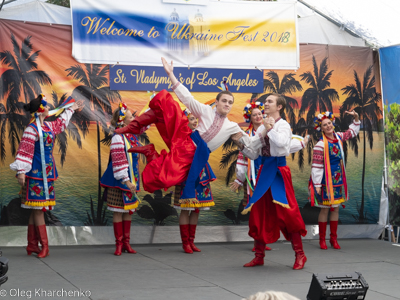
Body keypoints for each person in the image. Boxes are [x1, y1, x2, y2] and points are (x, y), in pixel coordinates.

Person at [115, 57, 268, 200]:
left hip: (194, 156)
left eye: (230, 102)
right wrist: (171, 75)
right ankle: (132, 127)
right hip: (186, 140)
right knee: (166, 106)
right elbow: (187, 98)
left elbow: (250, 145)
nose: (227, 104)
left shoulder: (232, 127)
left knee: (164, 178)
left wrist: (266, 130)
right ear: (217, 101)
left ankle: (150, 152)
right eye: (224, 101)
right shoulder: (206, 110)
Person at [231, 94, 307, 270]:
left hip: (279, 172)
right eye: (265, 101)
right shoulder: (262, 128)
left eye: (270, 101)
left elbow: (282, 145)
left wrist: (269, 129)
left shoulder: (283, 125)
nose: (266, 104)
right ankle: (259, 256)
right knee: (258, 212)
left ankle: (300, 255)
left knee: (289, 213)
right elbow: (254, 153)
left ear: (279, 106)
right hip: (264, 171)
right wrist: (241, 146)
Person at [10, 94, 83, 258]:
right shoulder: (31, 129)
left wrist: (72, 108)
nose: (50, 109)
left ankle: (32, 245)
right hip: (35, 174)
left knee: (36, 209)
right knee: (38, 210)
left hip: (47, 174)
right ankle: (45, 246)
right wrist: (21, 171)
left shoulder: (48, 127)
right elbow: (25, 151)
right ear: (41, 111)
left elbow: (62, 122)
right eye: (47, 107)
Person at [310, 110, 360, 250]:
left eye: (329, 123)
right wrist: (318, 184)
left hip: (337, 179)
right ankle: (322, 240)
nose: (328, 126)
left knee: (336, 209)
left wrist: (356, 118)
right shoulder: (320, 145)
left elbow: (352, 132)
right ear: (321, 128)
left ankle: (333, 239)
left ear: (333, 124)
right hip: (326, 180)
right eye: (324, 125)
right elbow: (316, 166)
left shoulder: (338, 137)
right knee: (325, 210)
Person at [100, 103, 143, 256]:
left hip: (131, 179)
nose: (134, 119)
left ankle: (126, 243)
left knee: (128, 211)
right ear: (123, 120)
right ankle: (119, 244)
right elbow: (119, 161)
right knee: (118, 211)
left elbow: (145, 123)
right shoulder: (118, 137)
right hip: (119, 180)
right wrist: (126, 180)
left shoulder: (132, 136)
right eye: (131, 117)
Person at [174, 108, 216, 254]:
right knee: (186, 209)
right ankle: (185, 242)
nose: (194, 122)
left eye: (195, 119)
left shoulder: (199, 136)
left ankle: (192, 241)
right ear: (185, 121)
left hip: (201, 176)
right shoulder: (181, 138)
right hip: (187, 176)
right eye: (191, 119)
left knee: (196, 210)